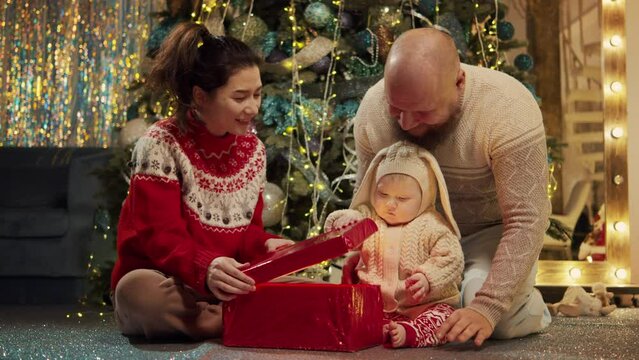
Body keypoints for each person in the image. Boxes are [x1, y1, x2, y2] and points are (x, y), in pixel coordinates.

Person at [350, 27, 552, 346]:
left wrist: (488, 307)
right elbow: (364, 202)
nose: (406, 123)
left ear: (458, 82)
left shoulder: (508, 108)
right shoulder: (373, 109)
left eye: (423, 111)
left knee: (495, 322)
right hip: (407, 240)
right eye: (396, 108)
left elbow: (528, 219)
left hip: (486, 235)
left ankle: (527, 305)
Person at [110, 22, 293, 340]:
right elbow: (161, 239)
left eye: (258, 95)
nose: (252, 108)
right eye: (240, 97)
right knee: (139, 296)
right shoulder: (160, 144)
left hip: (224, 282)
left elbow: (246, 232)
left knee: (305, 287)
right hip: (167, 279)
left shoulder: (254, 150)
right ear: (200, 96)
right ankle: (247, 316)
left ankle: (224, 317)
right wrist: (206, 268)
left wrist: (265, 243)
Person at [325, 141, 464, 348]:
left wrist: (427, 277)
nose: (390, 204)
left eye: (402, 198)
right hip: (376, 306)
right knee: (345, 314)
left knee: (444, 318)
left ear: (424, 197)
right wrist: (343, 222)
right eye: (383, 194)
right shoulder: (371, 218)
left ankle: (411, 333)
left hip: (423, 305)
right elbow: (350, 227)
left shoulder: (432, 225)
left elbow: (452, 257)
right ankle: (380, 329)